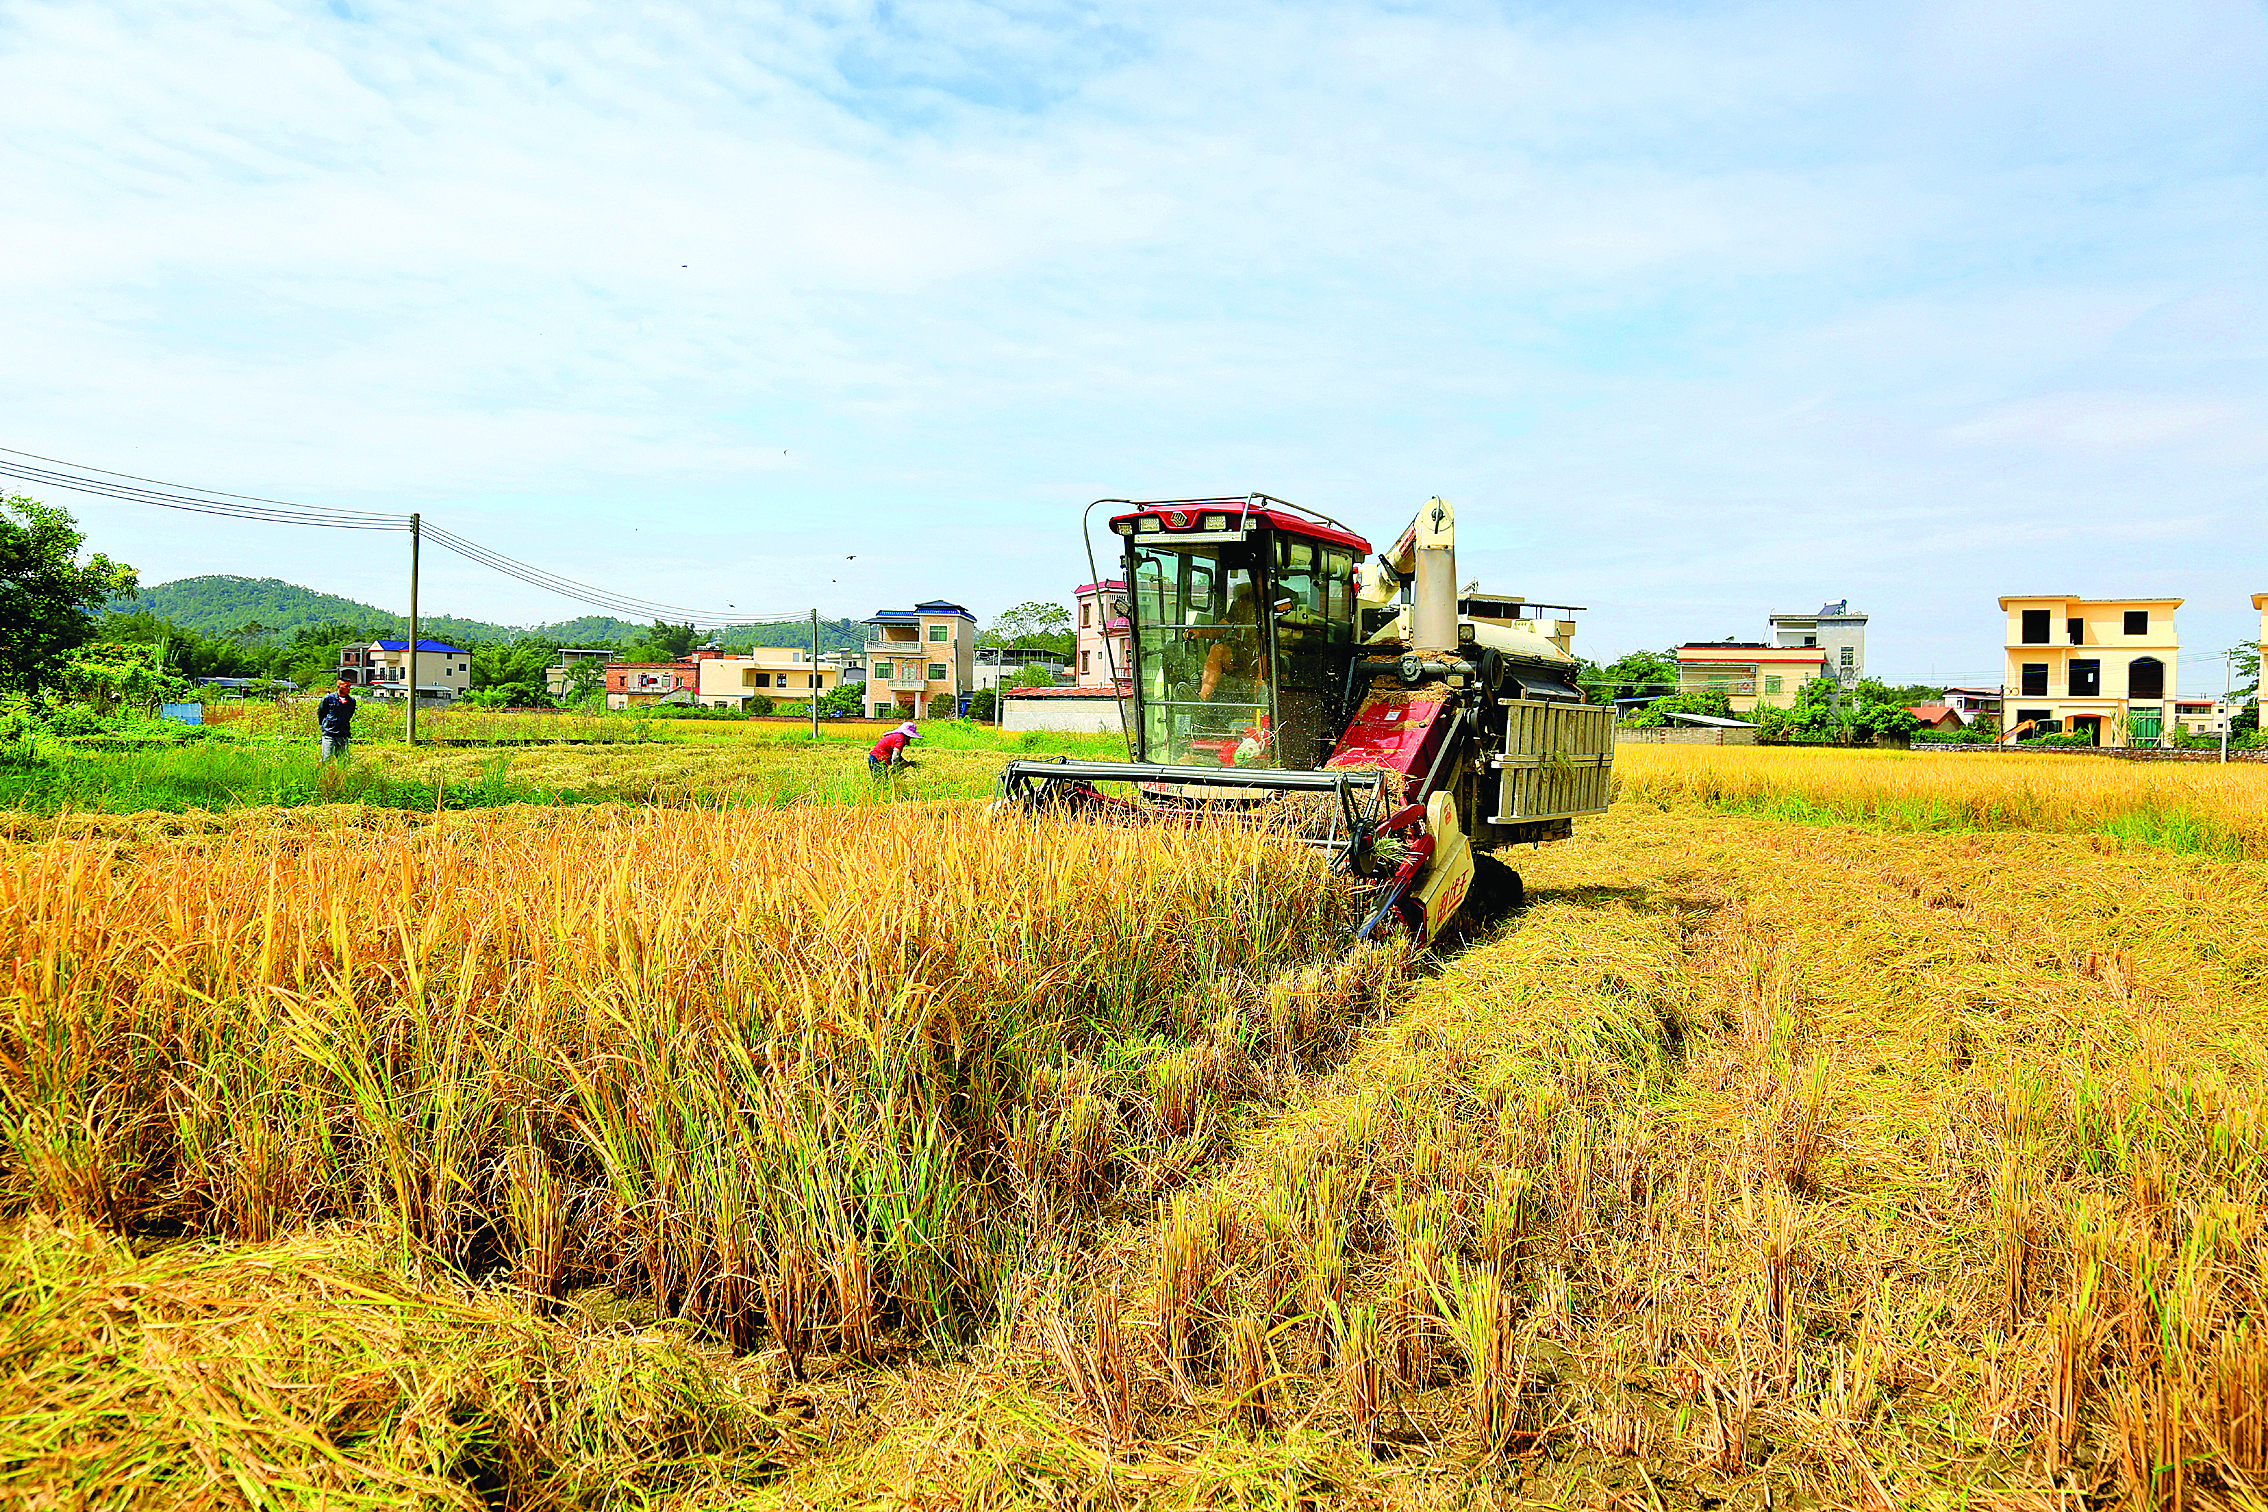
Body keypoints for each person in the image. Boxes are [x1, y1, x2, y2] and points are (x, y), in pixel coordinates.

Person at [317, 678, 357, 762]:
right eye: (346, 686)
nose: (348, 688)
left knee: (343, 760)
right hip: (329, 733)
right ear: (339, 686)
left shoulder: (351, 702)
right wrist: (326, 725)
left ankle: (340, 775)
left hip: (343, 733)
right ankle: (321, 774)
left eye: (350, 686)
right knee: (327, 758)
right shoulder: (328, 699)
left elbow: (349, 715)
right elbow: (321, 713)